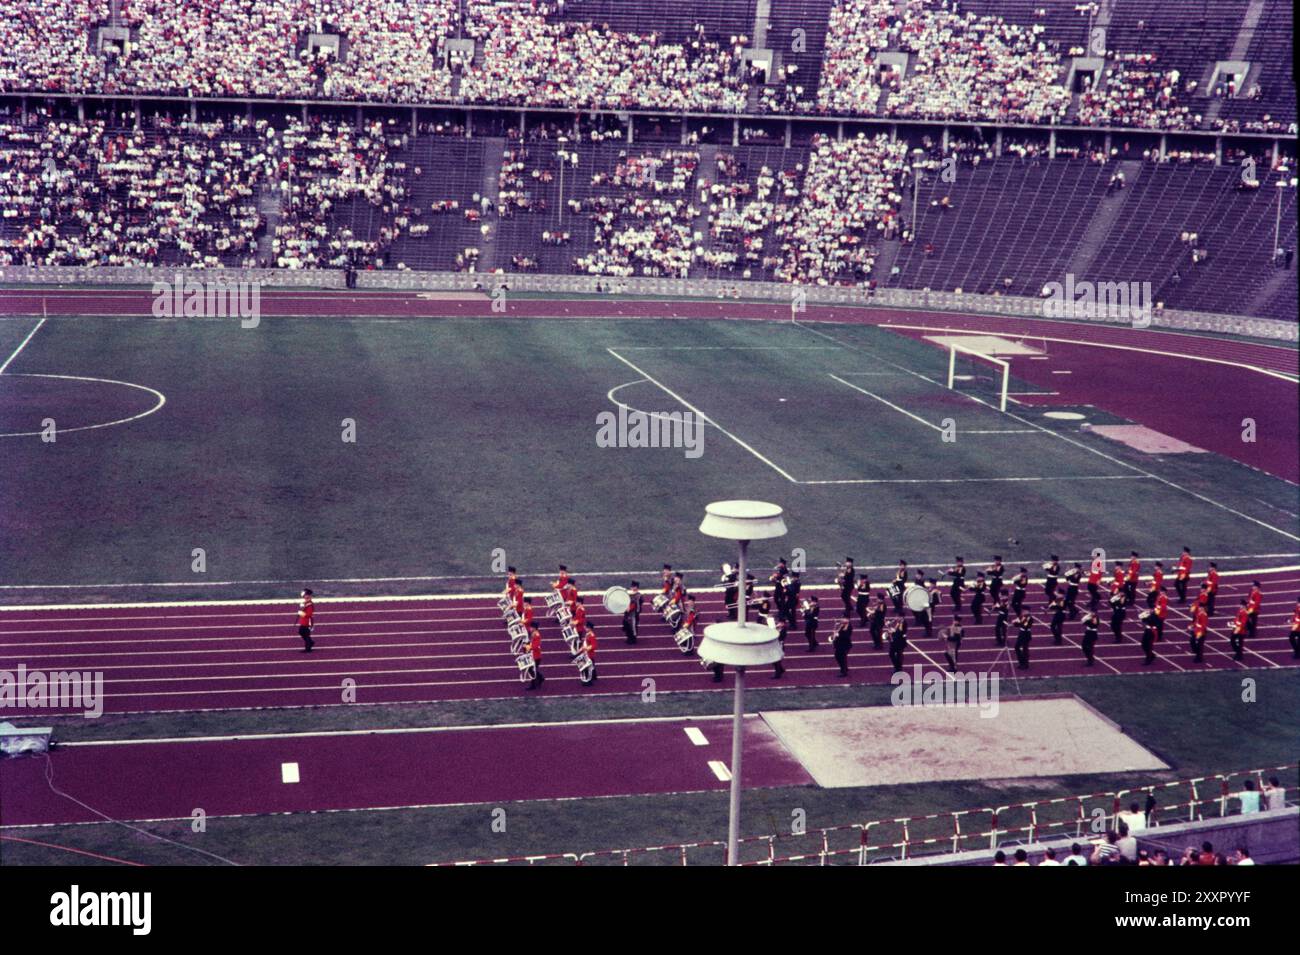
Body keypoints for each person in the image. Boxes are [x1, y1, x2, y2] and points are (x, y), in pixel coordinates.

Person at [526, 625, 545, 690]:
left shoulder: (536, 635)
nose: (530, 628)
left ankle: (533, 685)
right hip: (534, 655)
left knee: (531, 670)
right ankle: (540, 678)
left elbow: (536, 646)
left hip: (536, 656)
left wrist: (529, 647)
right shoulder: (534, 634)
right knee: (533, 670)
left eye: (531, 627)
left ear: (534, 628)